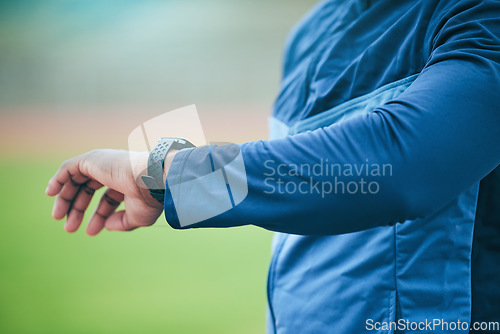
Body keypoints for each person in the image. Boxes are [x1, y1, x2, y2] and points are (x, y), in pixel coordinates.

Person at [47, 0, 500, 333]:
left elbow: (399, 166)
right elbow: (307, 179)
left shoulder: (478, 13)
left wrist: (167, 175)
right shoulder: (311, 33)